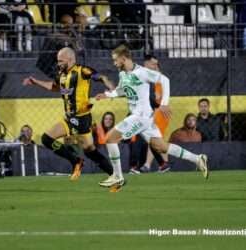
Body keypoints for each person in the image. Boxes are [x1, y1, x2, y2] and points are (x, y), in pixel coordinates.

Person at [96, 45, 209, 189]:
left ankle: (117, 177)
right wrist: (107, 95)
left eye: (115, 60)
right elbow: (122, 90)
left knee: (111, 138)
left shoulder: (142, 72)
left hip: (140, 117)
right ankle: (198, 159)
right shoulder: (123, 74)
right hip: (142, 117)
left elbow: (165, 80)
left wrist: (164, 103)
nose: (114, 63)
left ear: (123, 58)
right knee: (160, 146)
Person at [23, 47, 118, 186]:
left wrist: (110, 87)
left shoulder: (81, 71)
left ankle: (114, 175)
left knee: (90, 150)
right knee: (47, 139)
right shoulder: (61, 74)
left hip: (81, 119)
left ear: (70, 59)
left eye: (61, 60)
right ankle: (79, 162)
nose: (58, 63)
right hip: (69, 118)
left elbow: (100, 76)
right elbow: (54, 87)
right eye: (57, 61)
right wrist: (36, 82)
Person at [140, 54, 171, 173]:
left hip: (159, 112)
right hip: (156, 111)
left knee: (154, 138)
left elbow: (158, 99)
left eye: (156, 66)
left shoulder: (158, 81)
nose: (154, 68)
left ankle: (148, 165)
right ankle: (164, 164)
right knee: (157, 138)